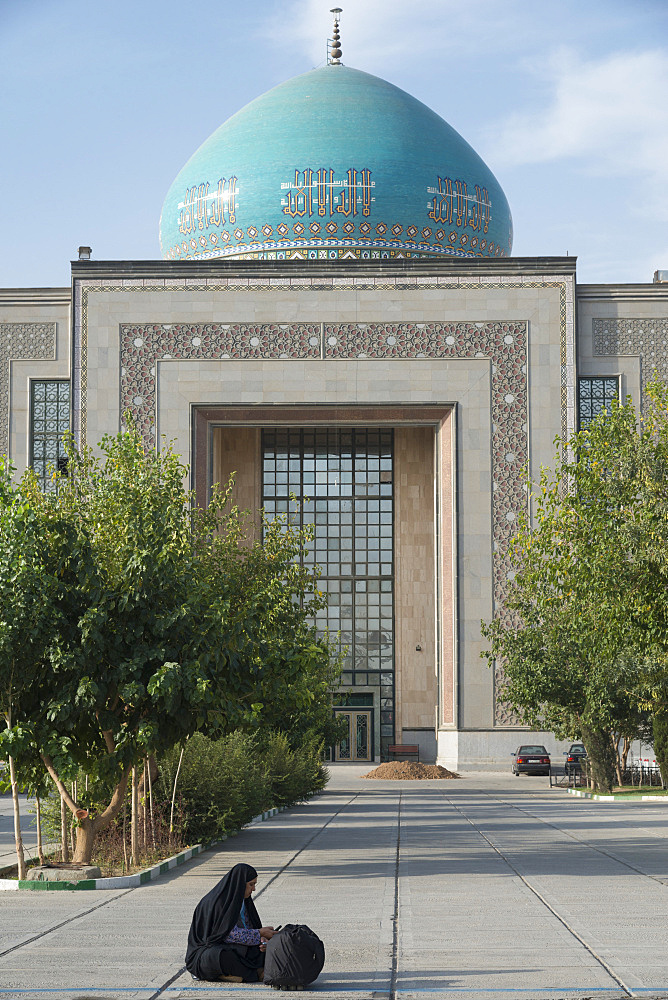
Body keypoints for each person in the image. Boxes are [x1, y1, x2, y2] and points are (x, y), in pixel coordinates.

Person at [185, 862, 276, 982]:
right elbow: (228, 935)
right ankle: (253, 973)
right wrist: (259, 933)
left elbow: (247, 929)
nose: (254, 889)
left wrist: (262, 940)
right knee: (221, 956)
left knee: (263, 950)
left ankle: (238, 974)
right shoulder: (218, 903)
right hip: (207, 952)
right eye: (251, 884)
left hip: (234, 946)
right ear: (239, 884)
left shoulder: (242, 901)